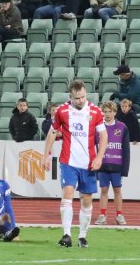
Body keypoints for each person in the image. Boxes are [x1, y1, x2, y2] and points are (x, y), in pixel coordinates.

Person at [44, 80, 108, 249]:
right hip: (68, 161)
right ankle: (66, 235)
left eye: (83, 97)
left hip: (88, 163)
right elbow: (52, 132)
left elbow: (104, 136)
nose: (80, 100)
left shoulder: (95, 111)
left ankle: (82, 236)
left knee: (86, 200)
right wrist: (46, 155)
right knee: (67, 194)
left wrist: (99, 157)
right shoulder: (62, 111)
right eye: (77, 98)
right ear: (70, 96)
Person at [95, 101, 130, 226]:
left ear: (115, 112)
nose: (107, 114)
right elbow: (92, 147)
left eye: (110, 111)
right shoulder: (98, 128)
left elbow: (126, 150)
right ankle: (102, 215)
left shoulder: (122, 127)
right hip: (103, 165)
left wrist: (125, 168)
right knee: (104, 190)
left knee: (117, 189)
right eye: (105, 111)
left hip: (117, 165)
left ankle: (119, 215)